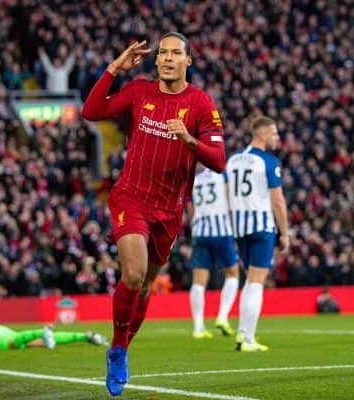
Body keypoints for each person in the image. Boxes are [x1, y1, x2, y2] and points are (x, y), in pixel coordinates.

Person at [81, 32, 227, 396]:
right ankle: (117, 348)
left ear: (187, 61)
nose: (166, 58)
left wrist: (190, 141)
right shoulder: (139, 91)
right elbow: (90, 111)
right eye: (162, 52)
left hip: (169, 211)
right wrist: (115, 68)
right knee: (132, 275)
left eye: (175, 53)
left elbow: (220, 161)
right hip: (131, 198)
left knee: (146, 284)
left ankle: (124, 347)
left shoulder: (201, 104)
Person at [226, 115, 290, 352]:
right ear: (261, 134)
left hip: (240, 228)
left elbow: (226, 194)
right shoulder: (268, 161)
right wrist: (285, 233)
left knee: (249, 281)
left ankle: (243, 333)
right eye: (274, 133)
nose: (277, 137)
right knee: (256, 282)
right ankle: (248, 338)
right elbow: (278, 201)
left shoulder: (232, 160)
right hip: (262, 226)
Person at [187, 166, 239, 339]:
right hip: (221, 230)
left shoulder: (193, 179)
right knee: (233, 273)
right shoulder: (222, 174)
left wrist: (194, 227)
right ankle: (222, 317)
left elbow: (190, 209)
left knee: (199, 280)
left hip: (199, 231)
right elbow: (231, 199)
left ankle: (198, 327)